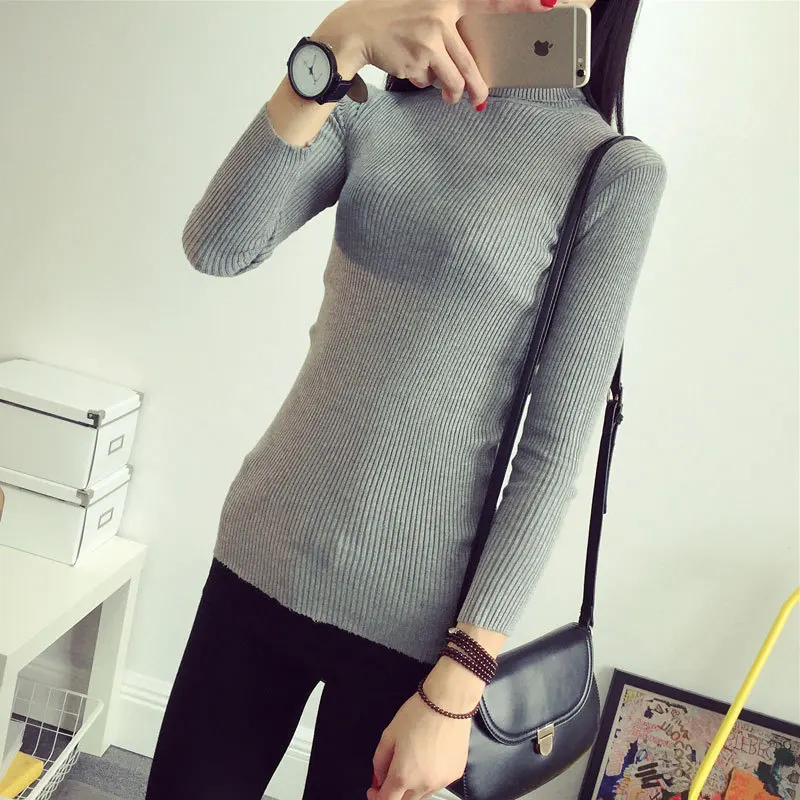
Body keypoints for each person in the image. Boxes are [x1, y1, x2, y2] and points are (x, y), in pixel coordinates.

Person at [145, 0, 667, 797]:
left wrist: (461, 682)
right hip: (263, 550)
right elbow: (217, 245)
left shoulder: (613, 172)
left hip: (417, 637)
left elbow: (553, 450)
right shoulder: (375, 106)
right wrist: (337, 40)